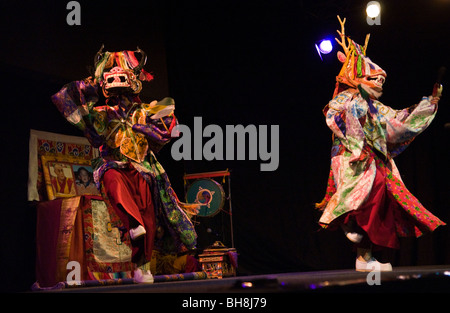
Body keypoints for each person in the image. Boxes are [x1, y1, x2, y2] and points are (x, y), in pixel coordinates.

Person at [52, 46, 199, 283]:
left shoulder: (145, 110)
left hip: (143, 168)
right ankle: (132, 223)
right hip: (113, 163)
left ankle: (143, 266)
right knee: (114, 185)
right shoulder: (102, 113)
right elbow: (66, 101)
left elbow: (171, 124)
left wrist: (151, 128)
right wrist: (90, 84)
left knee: (149, 220)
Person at [316, 16, 446, 272]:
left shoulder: (376, 107)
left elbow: (400, 120)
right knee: (365, 196)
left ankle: (365, 258)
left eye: (381, 82)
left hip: (374, 161)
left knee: (383, 202)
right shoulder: (346, 99)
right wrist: (358, 118)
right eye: (374, 79)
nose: (379, 84)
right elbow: (334, 118)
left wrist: (429, 104)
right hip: (352, 158)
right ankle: (350, 226)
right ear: (359, 79)